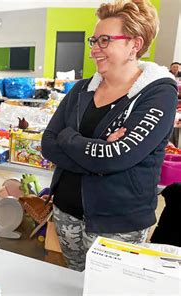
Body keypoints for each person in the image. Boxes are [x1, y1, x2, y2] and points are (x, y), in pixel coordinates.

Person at [41, 0, 178, 271]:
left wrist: (70, 139)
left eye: (105, 40)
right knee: (74, 284)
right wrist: (98, 152)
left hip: (118, 222)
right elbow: (48, 144)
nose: (94, 49)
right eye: (94, 40)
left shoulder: (157, 94)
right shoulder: (82, 89)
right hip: (67, 212)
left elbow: (115, 157)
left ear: (135, 44)